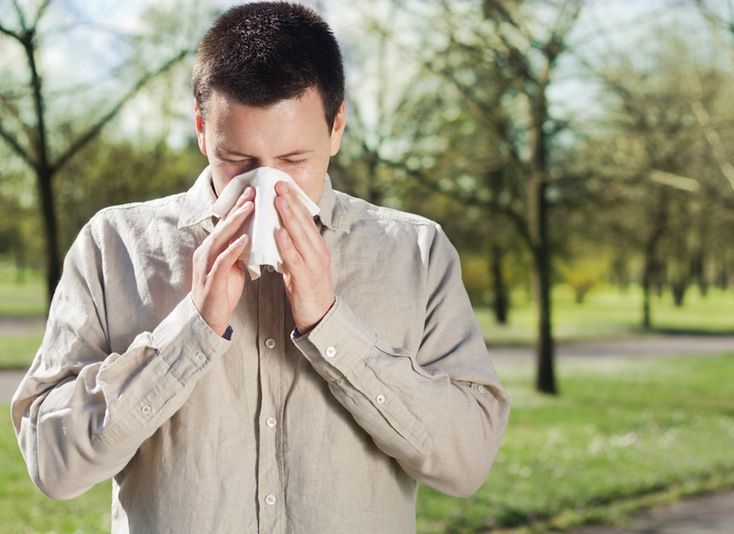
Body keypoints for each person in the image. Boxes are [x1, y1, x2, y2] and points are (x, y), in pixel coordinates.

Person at [11, 2, 510, 532]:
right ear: (203, 129)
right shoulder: (115, 246)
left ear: (336, 127)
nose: (268, 187)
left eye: (295, 161)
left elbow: (468, 462)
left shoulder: (417, 252)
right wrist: (189, 332)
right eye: (239, 162)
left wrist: (332, 325)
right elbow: (51, 466)